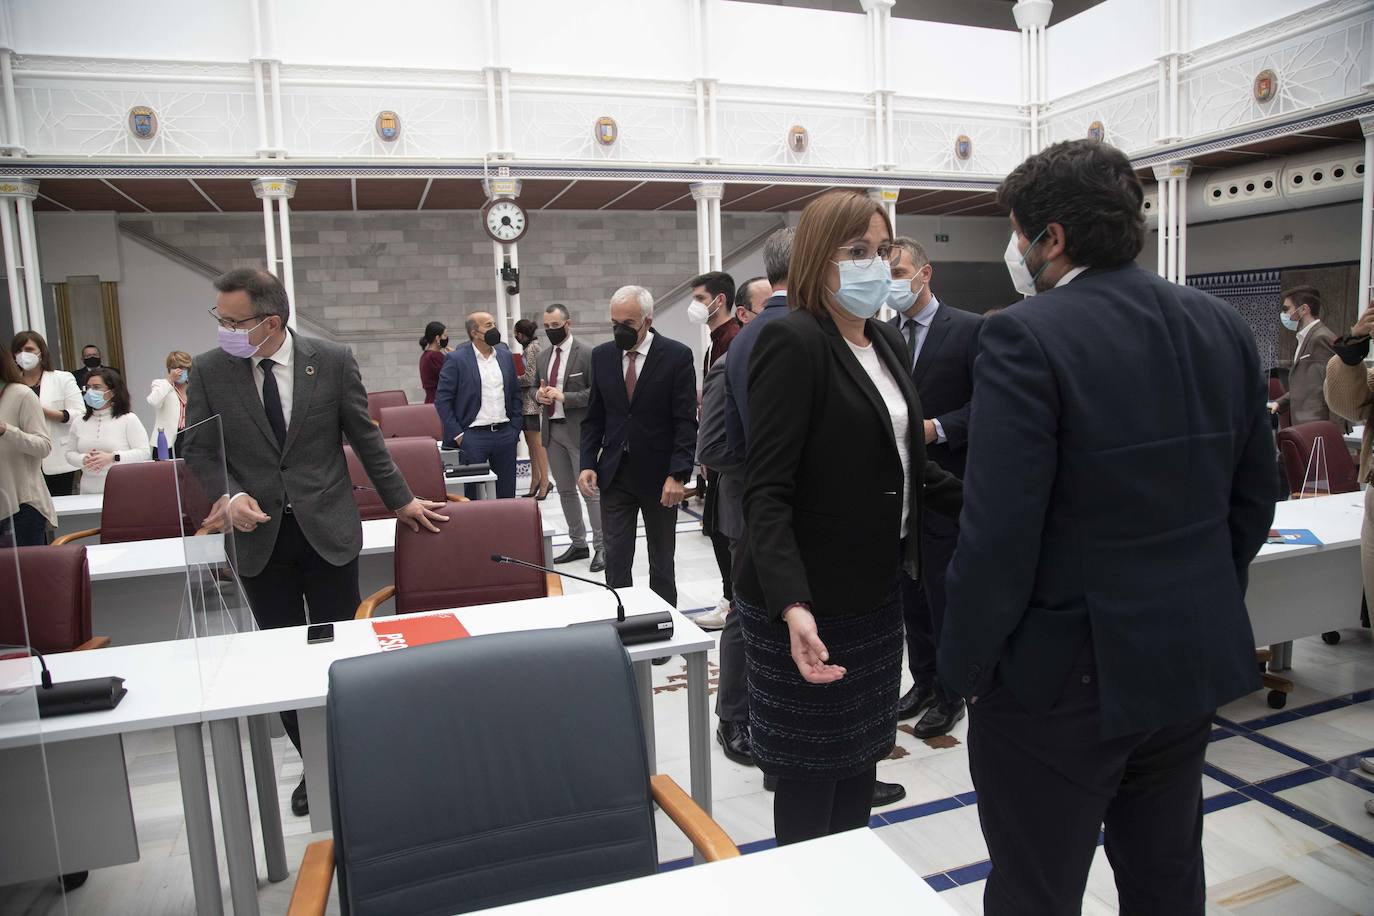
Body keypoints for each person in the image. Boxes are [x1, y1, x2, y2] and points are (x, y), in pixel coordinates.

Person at [939, 140, 1276, 914]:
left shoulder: (1025, 335)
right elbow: (1255, 495)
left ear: (1051, 238)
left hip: (1063, 679)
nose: (1016, 250)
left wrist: (965, 670)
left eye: (1020, 231)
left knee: (1036, 886)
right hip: (1185, 659)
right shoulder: (1219, 323)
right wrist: (1195, 594)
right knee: (1164, 876)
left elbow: (999, 536)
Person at [734, 191, 962, 845]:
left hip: (873, 589)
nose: (874, 265)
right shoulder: (792, 339)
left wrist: (994, 510)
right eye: (856, 252)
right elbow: (767, 489)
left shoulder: (885, 340)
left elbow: (911, 465)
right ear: (817, 258)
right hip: (806, 597)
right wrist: (794, 605)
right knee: (812, 774)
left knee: (861, 757)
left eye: (883, 251)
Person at [185, 268, 445, 817]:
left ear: (270, 321)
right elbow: (201, 451)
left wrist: (402, 500)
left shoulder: (330, 360)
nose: (223, 330)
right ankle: (316, 761)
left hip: (327, 531)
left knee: (340, 655)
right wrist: (228, 498)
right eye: (220, 319)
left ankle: (356, 754)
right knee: (281, 658)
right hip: (258, 540)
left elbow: (364, 436)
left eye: (234, 321)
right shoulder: (210, 371)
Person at [886, 237, 982, 737]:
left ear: (926, 274)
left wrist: (937, 428)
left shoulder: (968, 330)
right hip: (898, 489)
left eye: (900, 272)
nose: (893, 283)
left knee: (945, 596)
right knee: (909, 594)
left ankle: (951, 695)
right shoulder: (881, 334)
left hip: (947, 483)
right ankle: (922, 680)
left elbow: (988, 404)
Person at [578, 286, 696, 612]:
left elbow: (685, 422)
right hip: (615, 474)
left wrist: (678, 474)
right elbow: (594, 418)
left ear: (647, 320)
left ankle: (662, 623)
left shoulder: (676, 356)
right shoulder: (602, 356)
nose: (620, 330)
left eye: (627, 322)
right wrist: (588, 462)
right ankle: (624, 623)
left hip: (660, 479)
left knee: (661, 562)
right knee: (616, 559)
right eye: (614, 322)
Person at [687, 270, 738, 633]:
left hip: (728, 451)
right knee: (717, 527)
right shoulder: (713, 342)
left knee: (726, 528)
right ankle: (731, 595)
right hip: (715, 450)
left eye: (700, 299)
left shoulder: (733, 340)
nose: (695, 306)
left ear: (720, 300)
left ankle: (733, 599)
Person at [537, 304, 605, 572]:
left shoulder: (587, 353)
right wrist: (538, 396)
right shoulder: (543, 357)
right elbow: (534, 388)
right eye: (547, 326)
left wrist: (565, 396)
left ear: (568, 323)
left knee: (589, 491)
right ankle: (578, 543)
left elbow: (596, 394)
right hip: (552, 430)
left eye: (555, 325)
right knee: (565, 490)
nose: (551, 330)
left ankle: (602, 546)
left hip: (580, 431)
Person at [435, 311, 522, 498]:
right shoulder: (457, 359)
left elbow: (515, 393)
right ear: (474, 333)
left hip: (505, 434)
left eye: (494, 324)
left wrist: (515, 427)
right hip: (472, 436)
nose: (495, 329)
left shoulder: (505, 356)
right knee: (472, 495)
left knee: (506, 494)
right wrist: (459, 435)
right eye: (489, 325)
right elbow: (442, 400)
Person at [10, 331, 83, 496]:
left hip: (58, 456)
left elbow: (79, 414)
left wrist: (44, 412)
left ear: (41, 352)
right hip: (24, 457)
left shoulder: (62, 378)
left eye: (29, 349)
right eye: (19, 350)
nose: (24, 355)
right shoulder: (12, 384)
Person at [0, 347, 55, 546]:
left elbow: (43, 446)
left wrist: (7, 430)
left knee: (27, 575)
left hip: (21, 506)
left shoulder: (21, 394)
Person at [64, 367, 150, 495]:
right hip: (88, 489)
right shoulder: (79, 421)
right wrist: (83, 459)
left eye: (97, 387)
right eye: (88, 387)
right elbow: (69, 453)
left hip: (123, 488)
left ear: (112, 392)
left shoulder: (128, 419)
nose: (90, 391)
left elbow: (144, 453)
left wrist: (112, 457)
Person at [1273, 286, 1341, 428]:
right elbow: (1307, 385)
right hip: (1304, 425)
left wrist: (1333, 430)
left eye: (1286, 309)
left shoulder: (1321, 337)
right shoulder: (1304, 338)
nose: (1284, 314)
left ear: (1304, 309)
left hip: (1317, 425)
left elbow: (1333, 385)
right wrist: (1279, 403)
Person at [514, 318, 551, 499]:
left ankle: (545, 482)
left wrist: (512, 377)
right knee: (531, 446)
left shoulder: (532, 349)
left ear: (520, 334)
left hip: (532, 404)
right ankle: (536, 480)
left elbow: (529, 378)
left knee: (537, 446)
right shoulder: (530, 348)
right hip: (527, 404)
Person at [146, 350, 192, 459]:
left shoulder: (194, 386)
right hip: (167, 440)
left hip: (190, 438)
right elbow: (153, 401)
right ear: (170, 370)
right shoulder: (161, 384)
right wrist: (170, 380)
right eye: (176, 368)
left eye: (184, 368)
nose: (180, 372)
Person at [418, 321, 449, 404]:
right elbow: (450, 376)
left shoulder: (426, 355)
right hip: (440, 402)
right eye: (445, 336)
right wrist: (454, 357)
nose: (446, 338)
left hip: (431, 400)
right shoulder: (435, 356)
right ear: (437, 338)